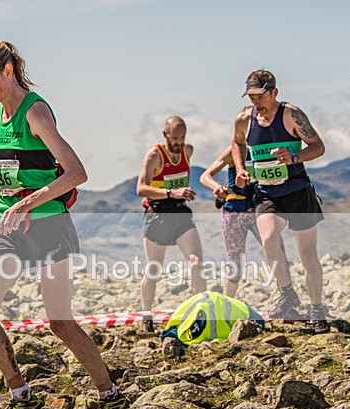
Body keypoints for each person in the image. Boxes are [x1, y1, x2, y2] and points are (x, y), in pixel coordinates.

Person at [0, 40, 128, 409]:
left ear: (8, 71)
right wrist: (13, 206)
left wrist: (29, 202)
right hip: (8, 230)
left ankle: (110, 395)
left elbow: (76, 173)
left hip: (49, 226)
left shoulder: (35, 111)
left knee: (59, 322)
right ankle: (21, 395)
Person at [231, 69, 327, 326]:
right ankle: (287, 293)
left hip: (297, 191)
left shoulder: (291, 115)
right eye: (251, 97)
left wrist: (294, 157)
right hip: (266, 192)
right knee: (269, 239)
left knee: (307, 255)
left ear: (274, 92)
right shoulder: (244, 119)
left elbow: (318, 147)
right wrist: (240, 168)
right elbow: (237, 143)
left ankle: (317, 309)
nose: (255, 102)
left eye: (260, 96)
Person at [136, 116, 206, 332]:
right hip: (158, 214)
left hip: (180, 213)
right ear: (165, 134)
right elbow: (141, 188)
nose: (178, 142)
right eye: (175, 138)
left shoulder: (188, 151)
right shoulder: (155, 155)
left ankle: (199, 313)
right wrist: (170, 192)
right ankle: (146, 316)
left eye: (182, 138)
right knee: (154, 269)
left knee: (196, 261)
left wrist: (180, 195)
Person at [199, 138, 283, 298]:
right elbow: (205, 176)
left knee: (278, 250)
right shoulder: (233, 150)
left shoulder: (266, 148)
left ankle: (288, 299)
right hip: (234, 212)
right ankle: (227, 307)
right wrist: (216, 186)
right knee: (235, 262)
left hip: (260, 209)